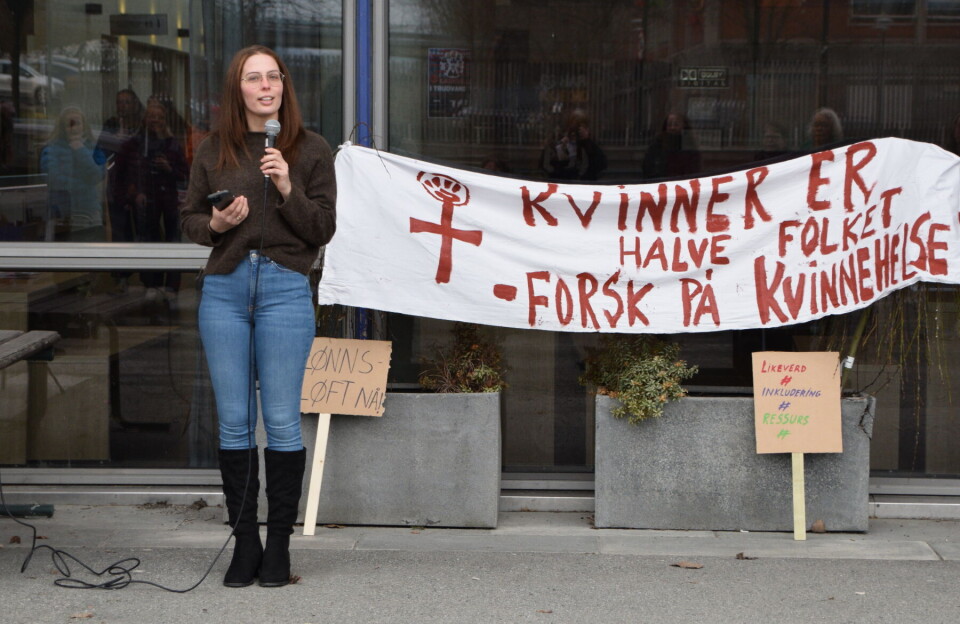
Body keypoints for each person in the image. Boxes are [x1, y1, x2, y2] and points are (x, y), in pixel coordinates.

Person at [179, 45, 337, 588]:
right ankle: (244, 543)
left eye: (273, 76)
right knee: (234, 422)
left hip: (284, 289)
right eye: (253, 77)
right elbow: (190, 220)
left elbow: (322, 229)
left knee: (284, 421)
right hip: (225, 290)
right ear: (238, 89)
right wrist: (219, 224)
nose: (265, 85)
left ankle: (279, 547)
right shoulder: (212, 149)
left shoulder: (310, 149)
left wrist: (288, 186)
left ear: (283, 86)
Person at [113, 96, 189, 300]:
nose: (155, 120)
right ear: (144, 119)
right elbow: (119, 176)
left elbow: (186, 175)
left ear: (165, 120)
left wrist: (169, 169)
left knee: (173, 242)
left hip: (170, 202)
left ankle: (171, 286)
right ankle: (151, 284)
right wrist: (132, 195)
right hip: (144, 203)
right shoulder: (132, 145)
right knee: (148, 239)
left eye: (159, 117)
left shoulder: (173, 145)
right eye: (151, 116)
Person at [40, 106, 107, 241]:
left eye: (77, 123)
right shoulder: (51, 149)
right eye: (69, 124)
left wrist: (79, 149)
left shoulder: (93, 147)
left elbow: (97, 175)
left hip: (89, 213)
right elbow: (55, 180)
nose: (74, 128)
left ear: (84, 125)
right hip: (62, 214)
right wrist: (84, 184)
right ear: (62, 128)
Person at [642, 112, 701, 179]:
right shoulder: (657, 145)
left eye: (676, 125)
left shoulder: (690, 148)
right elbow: (648, 166)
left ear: (683, 126)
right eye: (669, 125)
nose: (672, 128)